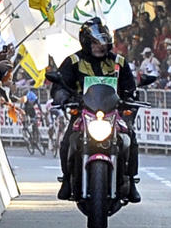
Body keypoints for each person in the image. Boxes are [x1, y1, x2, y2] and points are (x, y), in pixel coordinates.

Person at [55, 17, 141, 203]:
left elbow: (130, 87)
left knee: (131, 138)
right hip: (83, 111)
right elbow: (60, 84)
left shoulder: (119, 62)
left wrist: (130, 98)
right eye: (94, 42)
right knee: (68, 140)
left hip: (113, 112)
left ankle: (131, 181)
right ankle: (67, 180)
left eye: (102, 42)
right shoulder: (73, 61)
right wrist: (62, 96)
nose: (99, 46)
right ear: (86, 42)